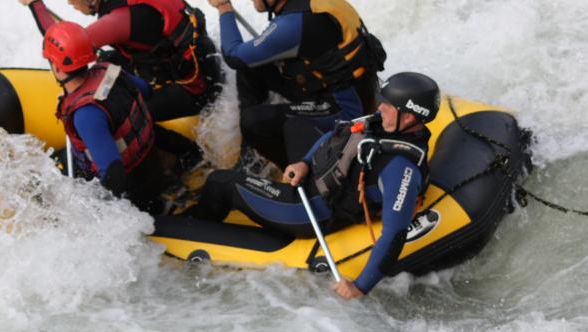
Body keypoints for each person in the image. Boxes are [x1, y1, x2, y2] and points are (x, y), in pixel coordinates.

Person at [188, 72, 440, 299]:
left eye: (388, 105)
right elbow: (338, 134)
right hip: (318, 176)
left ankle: (190, 230)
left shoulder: (400, 168)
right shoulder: (384, 123)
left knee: (221, 181)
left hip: (310, 208)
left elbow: (395, 233)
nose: (380, 106)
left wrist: (360, 286)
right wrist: (304, 163)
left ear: (407, 117)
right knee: (296, 124)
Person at [20, 0, 222, 173]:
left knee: (128, 113)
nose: (70, 4)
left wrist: (34, 4)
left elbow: (65, 47)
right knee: (108, 59)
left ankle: (189, 154)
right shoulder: (121, 13)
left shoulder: (118, 20)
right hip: (201, 63)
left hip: (197, 88)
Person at [206, 0, 387, 169]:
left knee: (253, 121)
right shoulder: (310, 7)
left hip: (345, 110)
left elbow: (233, 56)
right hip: (341, 88)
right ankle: (251, 159)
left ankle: (299, 173)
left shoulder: (294, 24)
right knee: (251, 68)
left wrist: (224, 7)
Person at [43, 21, 168, 214]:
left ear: (57, 69)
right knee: (58, 157)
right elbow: (146, 90)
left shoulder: (86, 115)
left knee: (48, 174)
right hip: (152, 167)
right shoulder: (108, 70)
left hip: (135, 195)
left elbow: (114, 176)